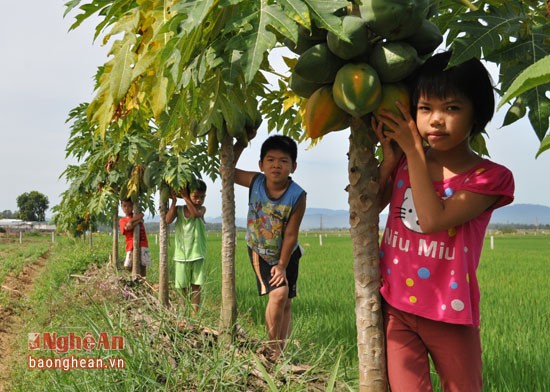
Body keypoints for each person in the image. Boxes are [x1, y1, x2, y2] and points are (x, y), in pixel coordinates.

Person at [372, 51, 515, 391]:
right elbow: (372, 206)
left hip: (449, 312)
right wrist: (390, 163)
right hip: (396, 308)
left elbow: (433, 219)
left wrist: (413, 153)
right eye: (425, 108)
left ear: (476, 113)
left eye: (451, 108)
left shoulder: (489, 178)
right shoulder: (408, 164)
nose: (436, 119)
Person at [234, 135, 307, 360]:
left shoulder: (298, 195)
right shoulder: (256, 181)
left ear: (293, 166)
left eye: (284, 161)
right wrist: (240, 143)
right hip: (260, 251)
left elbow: (291, 234)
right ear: (261, 165)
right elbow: (227, 171)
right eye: (271, 160)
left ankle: (279, 351)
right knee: (278, 294)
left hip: (288, 253)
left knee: (285, 302)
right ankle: (272, 349)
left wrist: (283, 265)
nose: (277, 165)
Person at [165, 180, 207, 315]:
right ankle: (182, 313)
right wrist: (173, 202)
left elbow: (195, 214)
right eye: (196, 197)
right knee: (182, 286)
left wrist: (185, 197)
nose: (199, 200)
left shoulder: (201, 209)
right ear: (189, 195)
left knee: (196, 285)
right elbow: (168, 220)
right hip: (181, 255)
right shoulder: (179, 210)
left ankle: (195, 314)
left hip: (197, 253)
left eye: (202, 197)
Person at [119, 198, 151, 277]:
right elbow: (127, 228)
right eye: (124, 206)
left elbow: (142, 214)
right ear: (121, 207)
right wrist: (136, 221)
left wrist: (131, 221)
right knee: (128, 265)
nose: (127, 208)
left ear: (133, 206)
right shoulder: (122, 220)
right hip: (131, 245)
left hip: (143, 243)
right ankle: (134, 277)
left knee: (143, 265)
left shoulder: (136, 214)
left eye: (129, 206)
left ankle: (143, 281)